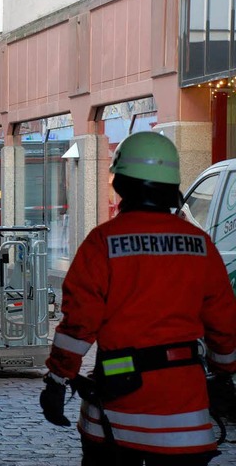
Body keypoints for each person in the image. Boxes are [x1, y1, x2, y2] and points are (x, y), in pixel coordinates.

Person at [39, 131, 236, 466]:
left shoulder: (103, 242)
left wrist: (58, 380)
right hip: (185, 420)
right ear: (172, 187)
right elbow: (224, 325)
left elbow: (78, 326)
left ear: (122, 185)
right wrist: (223, 373)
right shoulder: (201, 244)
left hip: (116, 416)